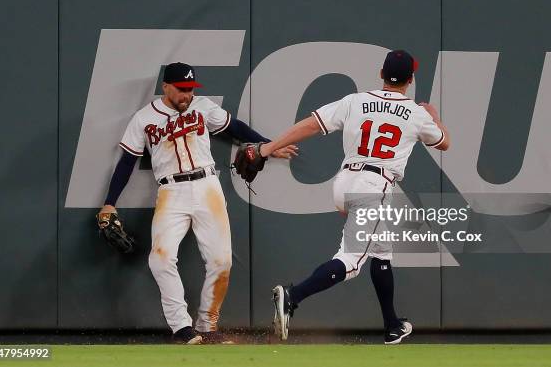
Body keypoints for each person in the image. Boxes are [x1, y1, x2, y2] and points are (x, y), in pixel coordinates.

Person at [259, 50, 450, 344]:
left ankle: (392, 325)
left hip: (345, 181)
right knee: (351, 260)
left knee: (382, 250)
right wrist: (435, 118)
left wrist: (270, 147)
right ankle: (292, 297)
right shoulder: (417, 113)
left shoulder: (355, 100)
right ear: (411, 80)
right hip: (373, 187)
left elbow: (311, 125)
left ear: (381, 74)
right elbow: (444, 143)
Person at [98, 62, 296, 344]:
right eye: (181, 89)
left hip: (207, 187)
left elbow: (235, 128)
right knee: (161, 258)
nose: (187, 95)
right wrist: (109, 203)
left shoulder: (203, 107)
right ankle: (181, 327)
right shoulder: (143, 118)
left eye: (191, 89)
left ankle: (207, 326)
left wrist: (269, 146)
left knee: (222, 261)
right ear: (165, 87)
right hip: (171, 191)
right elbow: (126, 162)